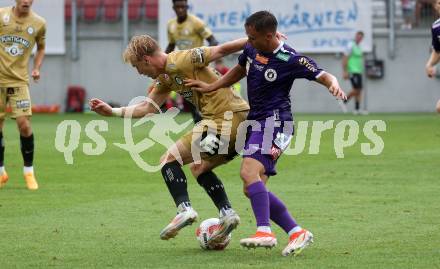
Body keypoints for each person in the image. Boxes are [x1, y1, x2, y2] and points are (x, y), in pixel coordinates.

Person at [185, 11, 346, 256]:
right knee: (252, 187)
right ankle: (296, 232)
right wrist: (211, 86)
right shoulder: (251, 49)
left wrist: (333, 83)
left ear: (269, 36)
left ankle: (264, 231)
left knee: (248, 171)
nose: (248, 41)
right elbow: (239, 70)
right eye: (247, 35)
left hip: (277, 123)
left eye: (253, 37)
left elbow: (321, 73)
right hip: (256, 123)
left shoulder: (289, 58)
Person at [89, 35, 250, 245]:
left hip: (225, 118)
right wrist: (112, 111)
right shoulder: (165, 77)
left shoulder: (184, 58)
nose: (140, 72)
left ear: (146, 59)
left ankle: (185, 209)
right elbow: (148, 107)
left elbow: (220, 50)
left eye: (138, 67)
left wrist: (257, 40)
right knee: (199, 168)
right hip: (243, 125)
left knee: (168, 159)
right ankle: (227, 213)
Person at [0, 0, 46, 190]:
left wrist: (36, 67)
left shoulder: (39, 23)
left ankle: (29, 172)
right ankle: (1, 172)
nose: (26, 1)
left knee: (24, 125)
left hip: (19, 80)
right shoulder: (2, 16)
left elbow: (41, 47)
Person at [164, 0, 219, 123]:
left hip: (198, 67)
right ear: (173, 7)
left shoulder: (196, 22)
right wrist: (162, 61)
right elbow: (171, 45)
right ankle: (201, 127)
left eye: (183, 7)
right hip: (182, 67)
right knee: (191, 101)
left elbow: (213, 41)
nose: (180, 9)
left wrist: (208, 57)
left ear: (187, 7)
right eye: (178, 7)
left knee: (205, 97)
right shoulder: (171, 25)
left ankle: (211, 125)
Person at [341, 31, 365, 115]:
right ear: (355, 36)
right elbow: (345, 57)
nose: (359, 38)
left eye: (361, 37)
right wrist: (345, 71)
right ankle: (343, 100)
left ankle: (357, 109)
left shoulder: (359, 47)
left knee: (359, 90)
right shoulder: (350, 45)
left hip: (358, 71)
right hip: (352, 70)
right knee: (356, 89)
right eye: (358, 36)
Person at [425, 0, 440, 112]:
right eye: (439, 3)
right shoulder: (436, 27)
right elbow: (437, 51)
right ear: (435, 6)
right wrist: (429, 64)